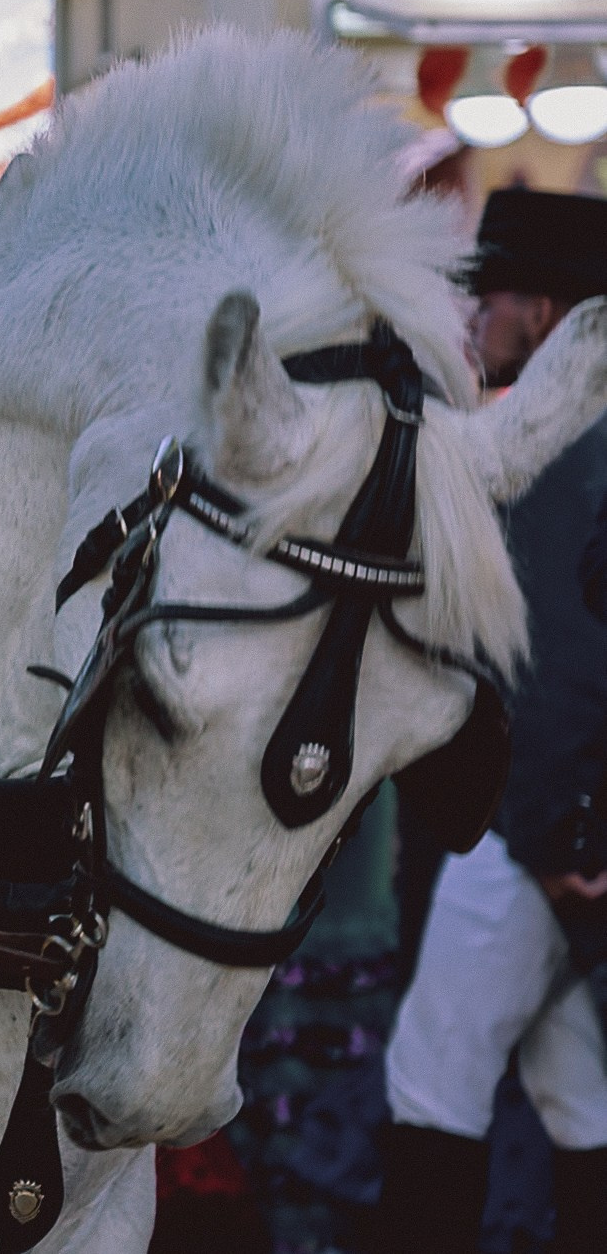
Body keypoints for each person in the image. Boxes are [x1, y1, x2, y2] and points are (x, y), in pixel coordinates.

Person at [376, 187, 607, 1254]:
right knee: (577, 1090)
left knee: (433, 1071)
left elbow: (565, 655)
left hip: (535, 831)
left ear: (549, 311)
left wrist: (565, 832)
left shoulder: (574, 435)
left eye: (497, 294)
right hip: (549, 827)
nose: (477, 318)